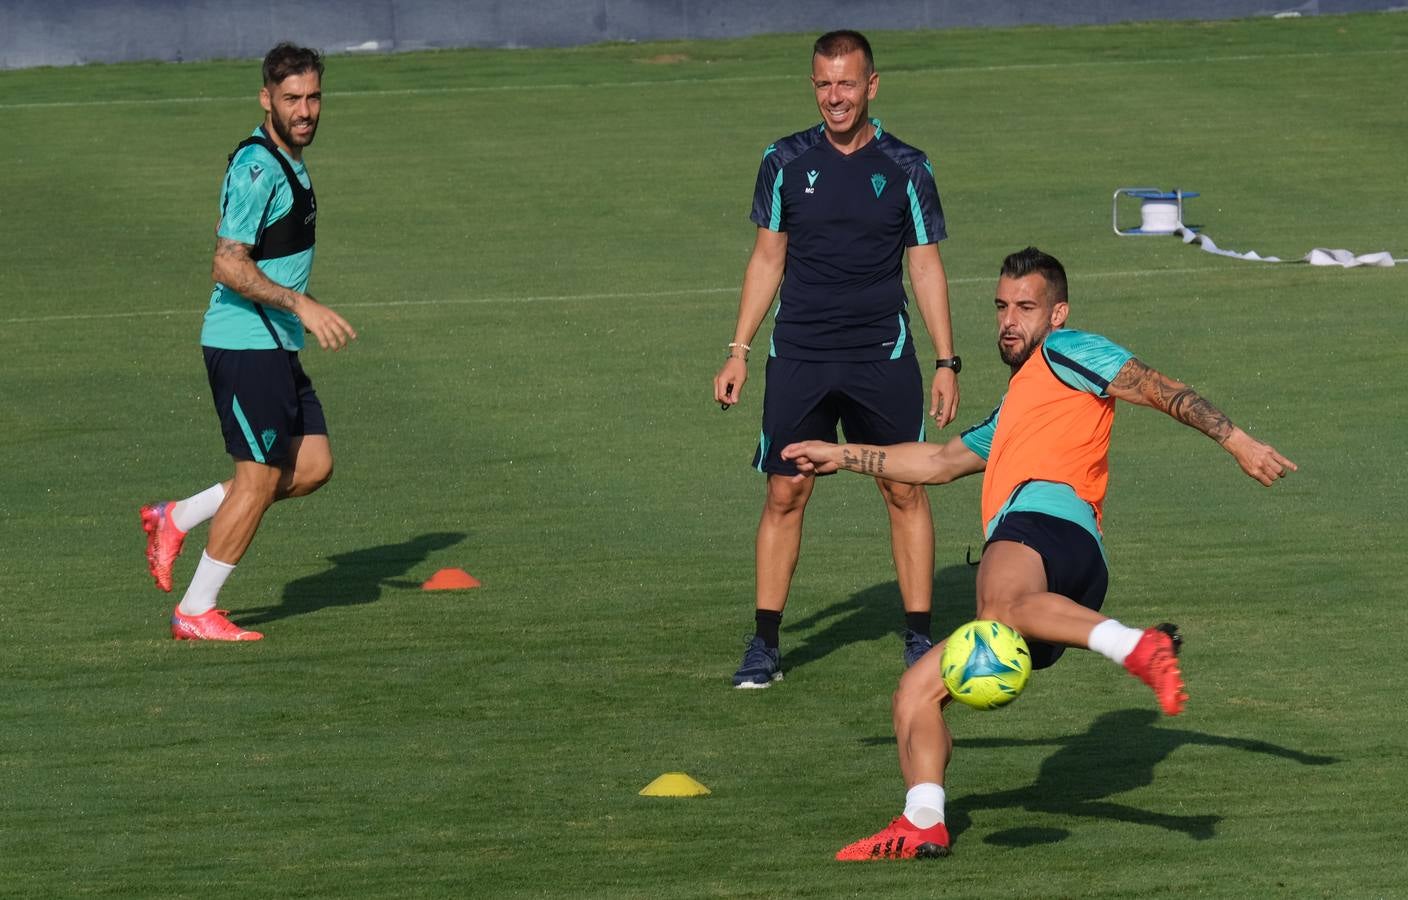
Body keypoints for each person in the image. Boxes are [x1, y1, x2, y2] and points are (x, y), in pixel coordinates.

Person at [783, 247, 1297, 858]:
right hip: (1065, 575)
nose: (1009, 320)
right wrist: (842, 455)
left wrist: (1237, 440)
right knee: (915, 692)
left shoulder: (1067, 350)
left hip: (1046, 525)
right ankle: (923, 819)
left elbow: (1157, 387)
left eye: (1025, 307)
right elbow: (943, 461)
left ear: (1057, 314)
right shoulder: (1017, 404)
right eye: (1001, 306)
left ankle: (1137, 646)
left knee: (1001, 599)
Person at [712, 30, 960, 688]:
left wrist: (946, 360)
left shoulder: (908, 165)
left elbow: (927, 266)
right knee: (786, 491)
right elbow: (767, 259)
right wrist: (737, 350)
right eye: (823, 84)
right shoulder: (784, 161)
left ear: (871, 86)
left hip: (883, 354)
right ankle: (765, 644)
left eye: (847, 83)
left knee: (903, 486)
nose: (835, 97)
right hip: (800, 353)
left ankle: (918, 635)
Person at [140, 43, 356, 641]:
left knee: (312, 465)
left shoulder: (289, 160)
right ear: (267, 99)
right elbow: (227, 264)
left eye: (313, 97)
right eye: (292, 99)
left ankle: (176, 516)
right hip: (246, 342)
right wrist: (302, 304)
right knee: (258, 479)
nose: (305, 109)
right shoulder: (259, 168)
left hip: (276, 344)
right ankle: (195, 610)